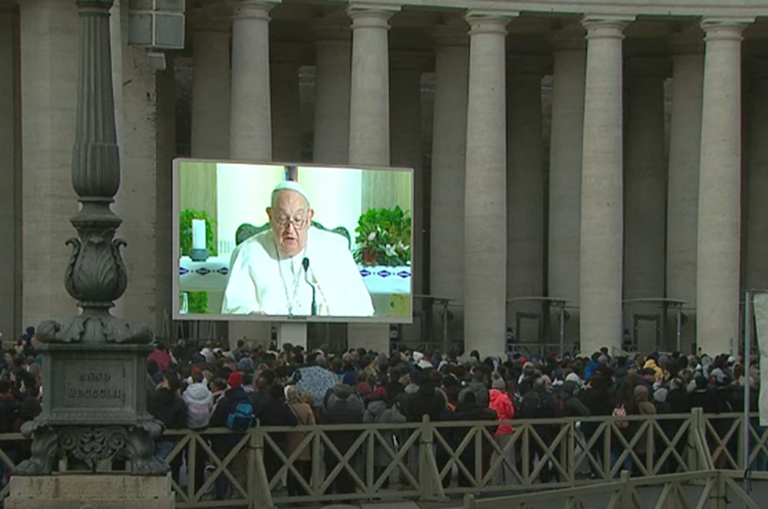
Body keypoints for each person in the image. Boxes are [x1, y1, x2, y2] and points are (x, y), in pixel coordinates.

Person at [221, 180, 374, 317]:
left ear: (309, 218)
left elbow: (360, 309)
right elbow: (235, 308)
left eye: (298, 220)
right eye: (282, 219)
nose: (290, 229)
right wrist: (252, 315)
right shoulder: (247, 252)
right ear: (270, 216)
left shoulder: (335, 249)